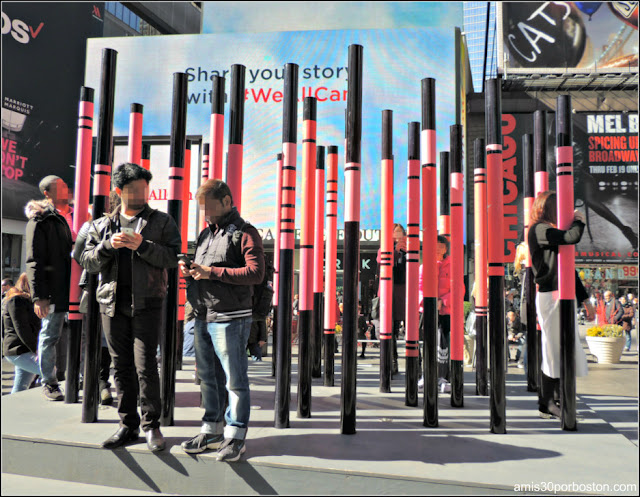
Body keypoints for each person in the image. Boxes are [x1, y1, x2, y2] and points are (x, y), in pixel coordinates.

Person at [80, 163, 181, 452]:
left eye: (144, 189)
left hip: (148, 303)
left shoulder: (161, 221)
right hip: (111, 304)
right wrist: (107, 246)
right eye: (134, 189)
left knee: (146, 365)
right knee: (120, 366)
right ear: (119, 191)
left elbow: (173, 257)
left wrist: (143, 246)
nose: (140, 194)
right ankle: (128, 424)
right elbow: (86, 260)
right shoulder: (100, 225)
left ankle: (152, 426)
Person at [179, 179, 264, 462]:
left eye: (212, 208)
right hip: (204, 314)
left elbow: (255, 274)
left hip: (231, 317)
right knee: (208, 379)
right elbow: (204, 271)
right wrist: (191, 271)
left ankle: (236, 435)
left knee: (234, 380)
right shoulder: (206, 234)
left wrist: (211, 272)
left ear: (227, 201)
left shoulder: (245, 233)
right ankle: (212, 429)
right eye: (204, 209)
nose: (207, 214)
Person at [528, 191, 594, 419]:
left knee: (560, 348)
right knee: (554, 349)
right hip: (552, 295)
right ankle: (549, 402)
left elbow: (569, 270)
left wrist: (585, 299)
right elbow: (571, 237)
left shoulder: (545, 230)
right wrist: (578, 221)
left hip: (559, 295)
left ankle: (553, 402)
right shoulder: (539, 229)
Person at [25, 175, 73, 401]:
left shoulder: (68, 217)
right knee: (50, 335)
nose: (67, 188)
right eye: (60, 186)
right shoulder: (41, 220)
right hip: (54, 291)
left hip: (72, 289)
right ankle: (49, 382)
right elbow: (34, 260)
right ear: (48, 193)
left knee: (74, 335)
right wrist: (39, 297)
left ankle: (75, 377)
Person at [2, 274, 42, 393]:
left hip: (21, 349)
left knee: (20, 387)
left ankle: (12, 408)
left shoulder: (22, 300)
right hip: (18, 350)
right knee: (48, 372)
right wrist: (36, 349)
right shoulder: (16, 300)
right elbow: (22, 329)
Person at [376, 223, 407, 374]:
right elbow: (381, 261)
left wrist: (407, 252)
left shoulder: (409, 247)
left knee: (408, 329)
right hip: (390, 292)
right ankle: (392, 362)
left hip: (404, 292)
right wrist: (395, 251)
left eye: (400, 232)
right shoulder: (385, 247)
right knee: (389, 329)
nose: (398, 234)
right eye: (395, 231)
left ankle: (417, 362)